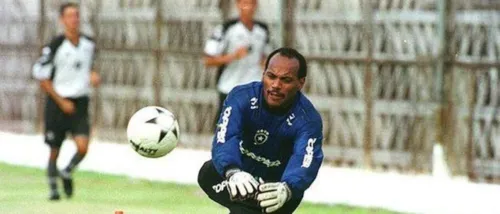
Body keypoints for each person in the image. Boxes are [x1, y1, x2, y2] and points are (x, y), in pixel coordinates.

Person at [197, 47, 324, 214]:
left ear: (300, 83)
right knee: (207, 173)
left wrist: (288, 188)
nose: (276, 85)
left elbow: (306, 160)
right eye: (271, 76)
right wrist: (233, 171)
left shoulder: (308, 120)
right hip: (237, 176)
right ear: (263, 74)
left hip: (274, 191)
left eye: (285, 80)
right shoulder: (241, 97)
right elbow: (225, 137)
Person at [32, 2, 100, 201]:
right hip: (58, 103)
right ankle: (53, 189)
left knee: (83, 146)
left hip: (80, 102)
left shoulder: (89, 44)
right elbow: (41, 77)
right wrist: (61, 101)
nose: (74, 19)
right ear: (62, 20)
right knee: (55, 148)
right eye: (70, 16)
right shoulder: (55, 45)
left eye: (77, 15)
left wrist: (93, 75)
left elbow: (90, 67)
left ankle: (67, 171)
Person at [203, 0, 272, 129]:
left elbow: (265, 57)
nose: (248, 8)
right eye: (244, 3)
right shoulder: (226, 28)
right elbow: (208, 60)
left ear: (255, 5)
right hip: (230, 87)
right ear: (238, 5)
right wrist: (234, 56)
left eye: (251, 4)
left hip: (254, 88)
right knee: (227, 130)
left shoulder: (262, 30)